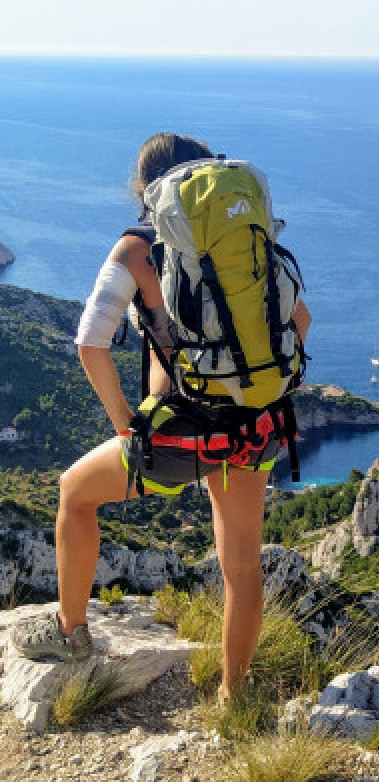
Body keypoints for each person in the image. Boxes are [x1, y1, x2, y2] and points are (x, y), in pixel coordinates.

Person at [10, 133, 311, 706]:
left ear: (144, 190)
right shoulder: (246, 241)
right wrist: (251, 386)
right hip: (255, 428)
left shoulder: (134, 249)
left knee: (74, 491)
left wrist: (125, 422)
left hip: (179, 437)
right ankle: (233, 695)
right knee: (242, 569)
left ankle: (71, 635)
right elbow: (302, 320)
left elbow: (90, 344)